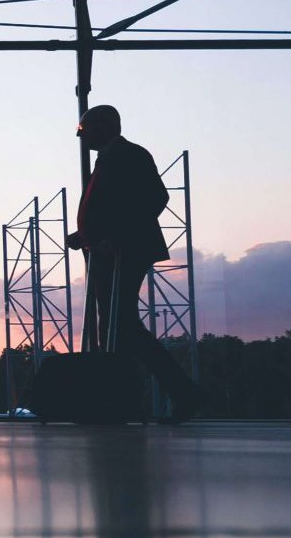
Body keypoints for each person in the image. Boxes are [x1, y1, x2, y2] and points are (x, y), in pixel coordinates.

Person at [67, 103, 206, 422]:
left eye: (83, 129)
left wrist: (114, 236)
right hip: (108, 251)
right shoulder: (110, 158)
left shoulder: (129, 155)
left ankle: (172, 393)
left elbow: (155, 198)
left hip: (124, 252)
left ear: (103, 125)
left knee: (121, 325)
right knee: (118, 326)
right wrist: (87, 234)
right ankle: (136, 395)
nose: (80, 136)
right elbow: (117, 205)